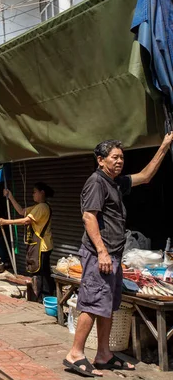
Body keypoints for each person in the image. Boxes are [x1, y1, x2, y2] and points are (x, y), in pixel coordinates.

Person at [64, 135, 173, 377]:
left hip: (113, 254)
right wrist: (102, 252)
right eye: (115, 157)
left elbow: (145, 176)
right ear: (100, 160)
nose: (120, 161)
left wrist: (164, 147)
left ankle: (103, 354)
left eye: (122, 157)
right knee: (92, 304)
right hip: (98, 254)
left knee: (107, 306)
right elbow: (89, 217)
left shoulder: (115, 182)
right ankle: (75, 353)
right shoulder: (96, 182)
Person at [0, 183, 55, 299]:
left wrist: (6, 222)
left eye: (34, 192)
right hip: (39, 245)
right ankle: (44, 296)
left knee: (40, 273)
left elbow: (26, 221)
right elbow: (21, 211)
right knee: (40, 272)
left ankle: (44, 296)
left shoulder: (42, 207)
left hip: (42, 246)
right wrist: (10, 196)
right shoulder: (37, 207)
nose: (33, 194)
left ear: (42, 193)